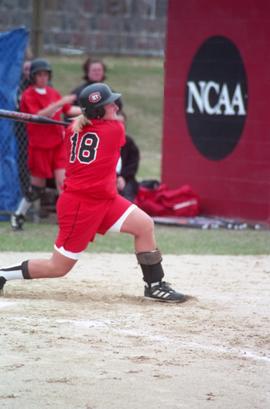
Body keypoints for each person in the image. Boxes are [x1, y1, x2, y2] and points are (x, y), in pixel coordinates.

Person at [1, 83, 187, 303]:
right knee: (58, 267)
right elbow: (99, 129)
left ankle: (154, 285)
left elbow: (83, 127)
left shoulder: (72, 130)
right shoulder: (114, 130)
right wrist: (86, 121)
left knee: (144, 225)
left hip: (105, 199)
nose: (116, 107)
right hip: (80, 205)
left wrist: (83, 121)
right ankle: (3, 274)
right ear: (98, 112)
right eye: (110, 105)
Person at [10, 58, 81, 231]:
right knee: (37, 189)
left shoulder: (53, 92)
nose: (43, 78)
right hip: (39, 147)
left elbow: (69, 110)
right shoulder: (28, 95)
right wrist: (60, 102)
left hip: (58, 144)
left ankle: (68, 221)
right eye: (39, 75)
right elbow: (40, 115)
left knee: (63, 183)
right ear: (33, 76)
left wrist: (91, 110)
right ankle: (19, 214)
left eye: (46, 74)